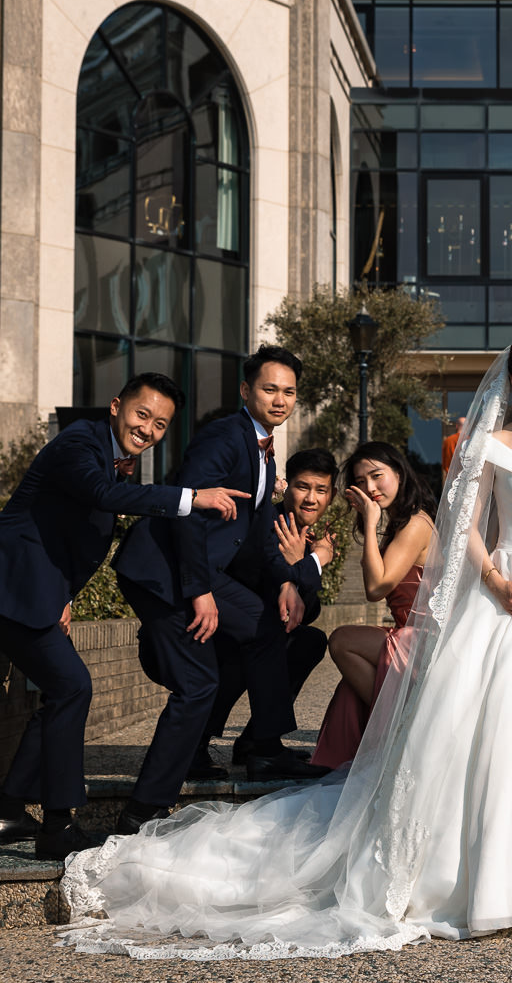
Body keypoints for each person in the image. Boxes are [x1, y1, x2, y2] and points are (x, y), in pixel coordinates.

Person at [59, 329, 512, 954]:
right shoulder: (490, 441)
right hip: (507, 590)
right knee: (498, 731)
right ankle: (486, 882)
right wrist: (492, 575)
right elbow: (464, 524)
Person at [0, 374, 247, 859]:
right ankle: (57, 826)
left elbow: (65, 532)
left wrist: (64, 594)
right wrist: (188, 497)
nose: (148, 429)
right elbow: (100, 496)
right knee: (72, 686)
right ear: (116, 407)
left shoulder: (115, 460)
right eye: (141, 415)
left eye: (160, 424)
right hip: (3, 590)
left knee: (61, 691)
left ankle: (9, 813)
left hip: (34, 595)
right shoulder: (79, 442)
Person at [112, 347, 328, 835]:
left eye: (288, 391)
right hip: (162, 572)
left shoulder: (262, 452)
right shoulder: (225, 437)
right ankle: (144, 811)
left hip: (192, 573)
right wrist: (201, 590)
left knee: (259, 628)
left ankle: (261, 749)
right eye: (269, 388)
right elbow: (187, 509)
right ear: (246, 391)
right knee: (198, 684)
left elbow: (254, 537)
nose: (279, 399)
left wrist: (289, 582)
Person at [200, 448, 339, 773]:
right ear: (287, 486)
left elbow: (306, 611)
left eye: (321, 490)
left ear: (331, 495)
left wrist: (300, 564)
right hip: (220, 633)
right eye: (303, 487)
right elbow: (270, 603)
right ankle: (205, 743)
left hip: (256, 633)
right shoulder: (269, 526)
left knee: (309, 640)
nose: (311, 498)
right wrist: (307, 564)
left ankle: (257, 740)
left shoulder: (304, 535)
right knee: (265, 642)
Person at [311, 442, 437, 768]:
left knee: (342, 641)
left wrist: (369, 523)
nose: (370, 487)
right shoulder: (401, 523)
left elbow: (376, 588)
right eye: (361, 480)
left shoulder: (416, 523)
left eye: (377, 476)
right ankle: (359, 752)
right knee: (351, 685)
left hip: (429, 640)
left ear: (399, 472)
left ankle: (406, 725)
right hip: (413, 635)